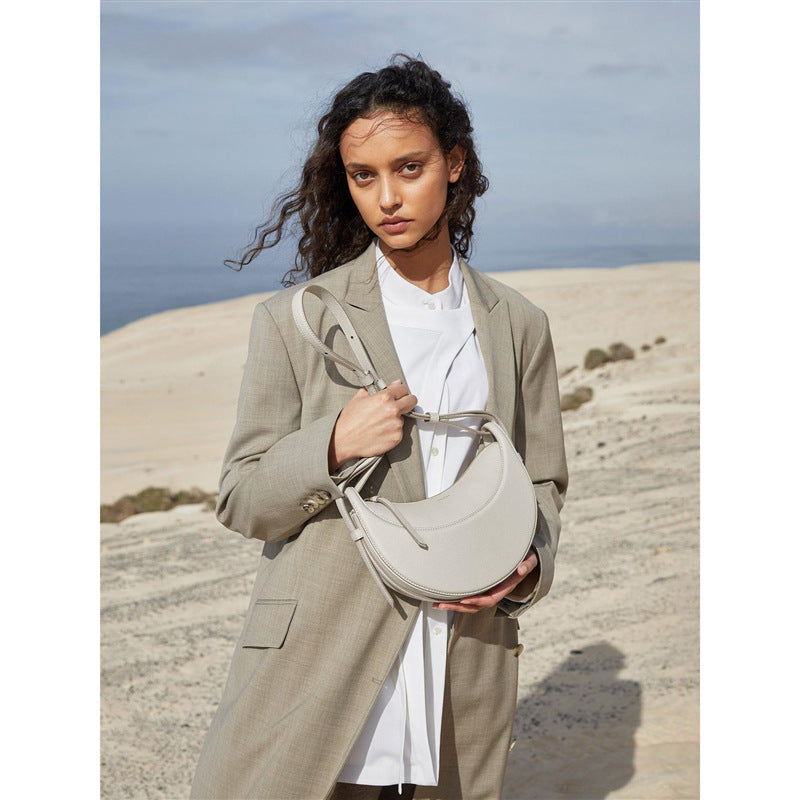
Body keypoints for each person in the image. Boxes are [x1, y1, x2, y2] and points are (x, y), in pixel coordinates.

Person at [190, 54, 568, 800]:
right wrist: (330, 446)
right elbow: (242, 497)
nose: (387, 197)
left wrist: (528, 561)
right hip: (320, 666)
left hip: (463, 662)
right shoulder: (298, 320)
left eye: (409, 168)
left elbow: (544, 480)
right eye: (363, 176)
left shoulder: (519, 324)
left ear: (454, 165)